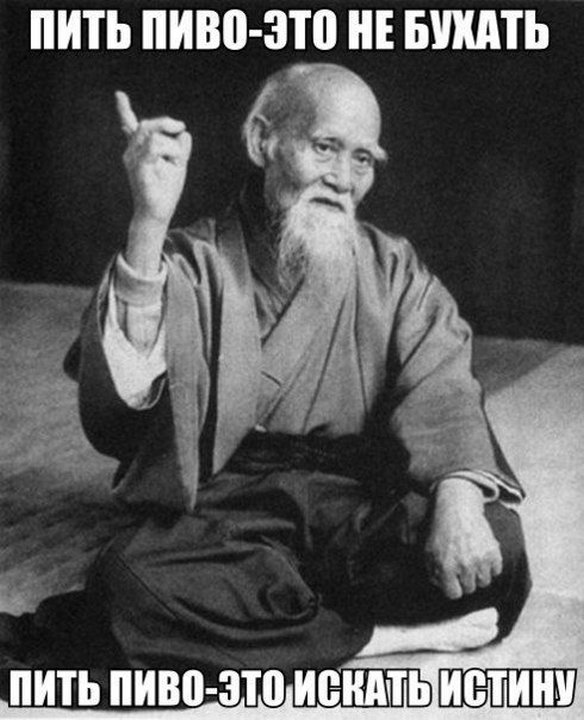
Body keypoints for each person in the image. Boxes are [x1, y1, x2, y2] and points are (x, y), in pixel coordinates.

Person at [3, 63, 530, 681]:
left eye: (363, 159)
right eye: (325, 148)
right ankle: (375, 640)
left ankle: (275, 628)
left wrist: (458, 503)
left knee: (499, 544)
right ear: (262, 141)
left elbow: (442, 388)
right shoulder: (195, 260)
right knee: (132, 583)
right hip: (229, 508)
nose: (343, 178)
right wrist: (148, 221)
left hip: (352, 501)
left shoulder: (393, 269)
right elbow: (120, 417)